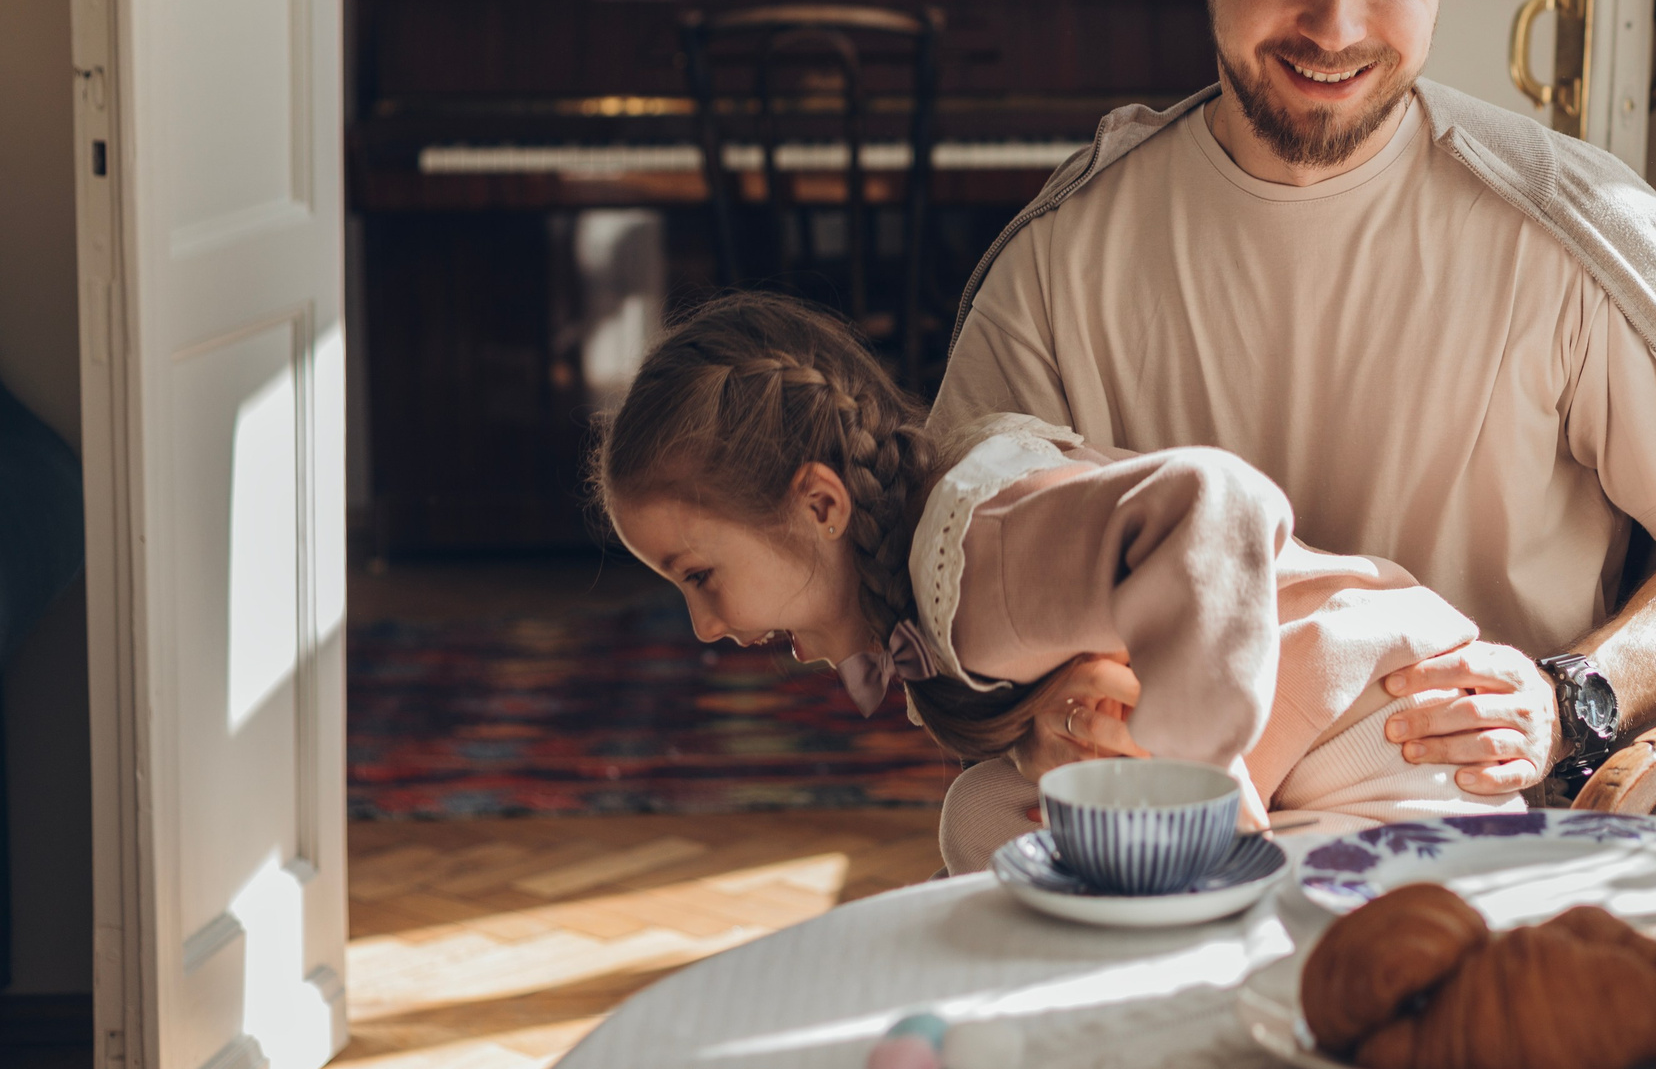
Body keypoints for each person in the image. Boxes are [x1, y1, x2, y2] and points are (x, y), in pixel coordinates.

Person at [930, 0, 1656, 870]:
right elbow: (948, 602)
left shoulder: (1573, 232)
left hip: (1475, 842)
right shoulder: (1057, 265)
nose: (1336, 28)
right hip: (1160, 831)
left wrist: (1571, 694)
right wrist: (1050, 711)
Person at [596, 292, 1526, 863]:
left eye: (702, 575)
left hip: (1394, 738)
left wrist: (1193, 783)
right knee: (979, 822)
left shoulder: (971, 565)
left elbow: (1214, 502)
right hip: (1338, 750)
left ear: (822, 507)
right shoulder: (934, 577)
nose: (705, 628)